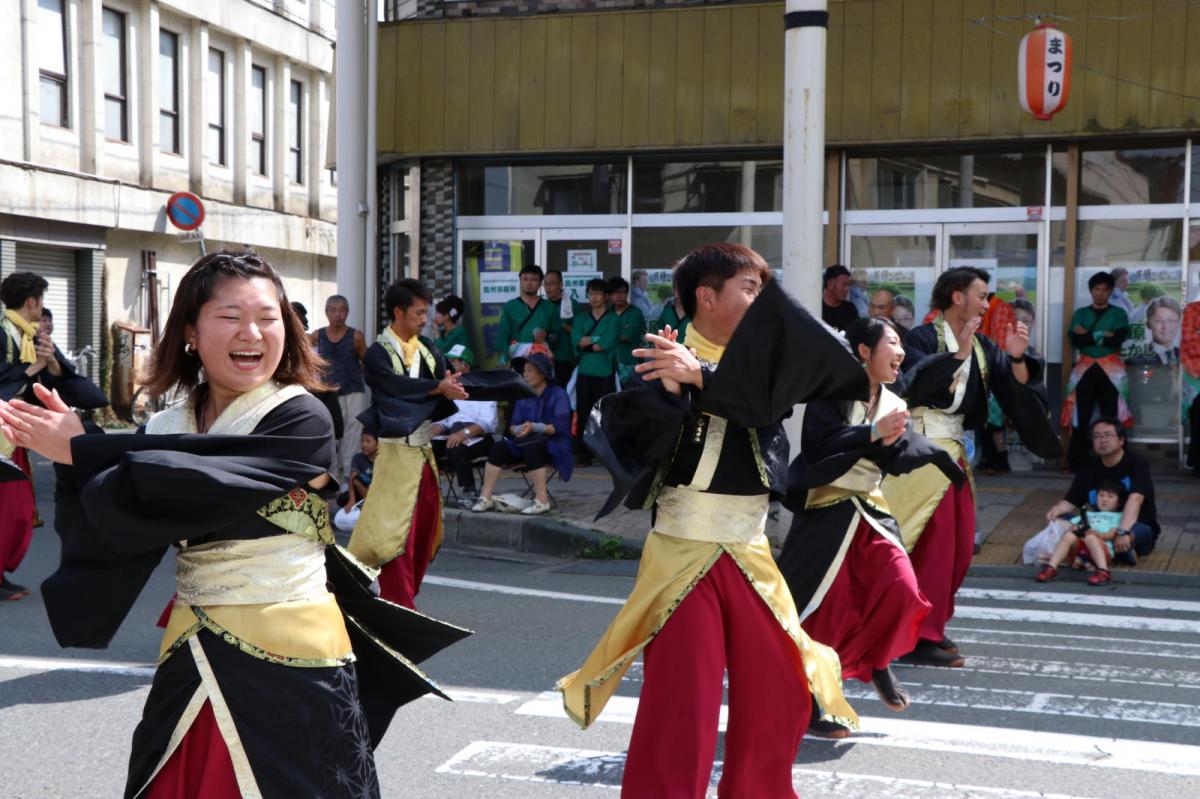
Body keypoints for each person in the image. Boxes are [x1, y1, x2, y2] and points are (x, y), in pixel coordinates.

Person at [0, 250, 469, 796]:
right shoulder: (167, 423)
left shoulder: (301, 415)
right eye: (229, 316)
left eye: (268, 318)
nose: (252, 332)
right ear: (191, 333)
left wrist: (88, 449)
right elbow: (126, 514)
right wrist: (81, 457)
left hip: (294, 652)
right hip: (193, 641)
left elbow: (201, 477)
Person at [559, 243, 867, 798]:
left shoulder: (763, 368)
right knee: (685, 704)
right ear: (706, 297)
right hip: (684, 550)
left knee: (783, 687)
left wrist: (700, 375)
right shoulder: (661, 357)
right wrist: (672, 392)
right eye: (748, 289)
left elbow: (765, 405)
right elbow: (633, 443)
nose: (760, 300)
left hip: (749, 551)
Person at [779, 317, 963, 738]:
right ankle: (816, 702)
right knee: (820, 614)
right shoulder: (831, 394)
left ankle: (878, 660)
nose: (900, 352)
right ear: (864, 351)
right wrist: (870, 433)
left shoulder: (895, 403)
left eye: (901, 343)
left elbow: (895, 457)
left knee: (901, 591)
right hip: (827, 510)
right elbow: (819, 449)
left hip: (870, 510)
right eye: (893, 342)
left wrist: (933, 455)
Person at [882, 267, 1060, 667]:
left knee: (958, 547)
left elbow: (1015, 392)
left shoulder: (982, 346)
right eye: (981, 295)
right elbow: (910, 387)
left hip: (953, 455)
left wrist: (1015, 357)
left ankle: (928, 626)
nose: (987, 302)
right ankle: (914, 634)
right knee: (931, 545)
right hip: (919, 453)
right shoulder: (919, 339)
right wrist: (956, 356)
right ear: (957, 297)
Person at [350, 278, 467, 609]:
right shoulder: (377, 353)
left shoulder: (428, 348)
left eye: (426, 312)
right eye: (418, 312)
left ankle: (405, 598)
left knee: (425, 529)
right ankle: (398, 604)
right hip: (393, 455)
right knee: (395, 534)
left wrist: (453, 386)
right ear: (398, 312)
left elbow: (442, 382)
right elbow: (392, 388)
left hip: (423, 453)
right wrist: (437, 389)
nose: (424, 318)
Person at [0, 272, 108, 601]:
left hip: (16, 435)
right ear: (32, 302)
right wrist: (32, 369)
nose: (42, 308)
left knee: (17, 511)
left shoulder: (33, 335)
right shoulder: (5, 334)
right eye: (41, 301)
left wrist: (55, 366)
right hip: (6, 432)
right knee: (12, 511)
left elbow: (79, 388)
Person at [1042, 417, 1159, 567]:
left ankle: (1089, 550)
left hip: (1134, 526)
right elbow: (1071, 501)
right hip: (1099, 527)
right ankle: (1114, 552)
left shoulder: (1136, 463)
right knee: (1062, 519)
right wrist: (1056, 511)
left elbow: (1136, 499)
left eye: (1108, 435)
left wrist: (1122, 531)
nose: (1102, 440)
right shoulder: (1088, 469)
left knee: (1138, 531)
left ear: (1121, 440)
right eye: (1097, 436)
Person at [470, 352, 572, 516]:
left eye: (530, 370)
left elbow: (559, 428)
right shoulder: (523, 394)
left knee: (533, 446)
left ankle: (542, 500)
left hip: (553, 444)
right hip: (525, 440)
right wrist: (521, 429)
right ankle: (485, 497)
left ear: (542, 372)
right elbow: (512, 427)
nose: (525, 374)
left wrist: (534, 427)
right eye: (524, 371)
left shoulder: (558, 393)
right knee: (499, 447)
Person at [1061, 272, 1132, 470]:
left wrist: (1090, 335)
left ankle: (1118, 461)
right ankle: (1077, 461)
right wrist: (1103, 335)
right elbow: (1077, 339)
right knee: (1081, 416)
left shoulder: (1119, 313)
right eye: (1097, 289)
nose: (1100, 293)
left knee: (1112, 416)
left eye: (1105, 290)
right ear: (1091, 291)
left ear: (1110, 291)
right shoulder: (1081, 313)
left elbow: (1116, 339)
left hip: (1111, 372)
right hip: (1085, 369)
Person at [430, 344, 499, 508]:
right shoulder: (449, 388)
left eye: (453, 361)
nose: (449, 365)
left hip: (478, 436)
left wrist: (463, 434)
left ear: (465, 366)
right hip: (453, 432)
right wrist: (437, 426)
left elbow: (487, 422)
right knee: (428, 447)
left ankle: (469, 491)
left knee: (456, 447)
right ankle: (430, 492)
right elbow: (447, 418)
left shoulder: (484, 389)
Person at [312, 294, 368, 483]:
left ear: (347, 312)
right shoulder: (317, 335)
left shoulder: (356, 335)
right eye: (333, 310)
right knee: (331, 435)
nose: (338, 315)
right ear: (326, 312)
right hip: (328, 394)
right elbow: (306, 359)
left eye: (342, 310)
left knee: (353, 435)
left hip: (353, 391)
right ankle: (333, 477)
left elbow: (366, 362)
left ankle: (350, 479)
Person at [1035, 479, 1127, 586]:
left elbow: (1111, 535)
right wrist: (1074, 529)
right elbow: (1073, 526)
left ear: (1119, 501)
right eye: (1101, 495)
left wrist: (1097, 534)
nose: (1104, 499)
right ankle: (1051, 568)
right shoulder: (1088, 514)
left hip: (1103, 551)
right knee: (1069, 535)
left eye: (1110, 496)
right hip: (1081, 550)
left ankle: (1103, 571)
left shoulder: (1118, 516)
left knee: (1090, 537)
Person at [571, 278, 618, 465]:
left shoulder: (614, 319)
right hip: (584, 372)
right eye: (591, 293)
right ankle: (583, 454)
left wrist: (588, 341)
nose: (594, 297)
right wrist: (595, 341)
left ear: (606, 297)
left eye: (598, 293)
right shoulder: (581, 318)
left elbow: (604, 345)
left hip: (605, 371)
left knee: (605, 414)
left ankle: (606, 455)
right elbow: (577, 341)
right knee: (584, 414)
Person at [496, 263, 558, 364]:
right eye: (525, 279)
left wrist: (547, 335)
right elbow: (503, 335)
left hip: (541, 359)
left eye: (534, 280)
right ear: (520, 281)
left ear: (540, 283)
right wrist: (503, 359)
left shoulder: (549, 307)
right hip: (517, 358)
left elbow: (557, 336)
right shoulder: (510, 306)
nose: (529, 283)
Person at [333, 431, 378, 533]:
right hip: (361, 491)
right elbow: (352, 478)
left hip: (376, 492)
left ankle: (369, 505)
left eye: (368, 441)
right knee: (343, 499)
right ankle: (362, 504)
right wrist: (351, 500)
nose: (364, 444)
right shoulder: (358, 458)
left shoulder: (381, 459)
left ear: (378, 443)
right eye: (362, 441)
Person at [609, 276, 647, 389]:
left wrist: (604, 336)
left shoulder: (635, 313)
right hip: (609, 364)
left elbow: (626, 337)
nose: (619, 296)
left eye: (622, 292)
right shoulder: (607, 312)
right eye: (615, 293)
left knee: (630, 398)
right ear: (609, 295)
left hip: (630, 363)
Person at [542, 269, 576, 388]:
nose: (548, 287)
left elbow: (580, 333)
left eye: (552, 283)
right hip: (543, 357)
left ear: (561, 284)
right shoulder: (541, 305)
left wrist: (563, 326)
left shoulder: (572, 305)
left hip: (565, 358)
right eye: (546, 283)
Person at [1128, 296, 1181, 366]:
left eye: (1171, 320)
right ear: (1148, 324)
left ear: (1178, 323)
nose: (1165, 326)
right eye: (1158, 321)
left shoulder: (1188, 356)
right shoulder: (1136, 361)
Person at [822, 264, 859, 332]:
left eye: (849, 285)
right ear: (830, 284)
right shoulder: (816, 307)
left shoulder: (850, 309)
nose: (847, 289)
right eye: (844, 284)